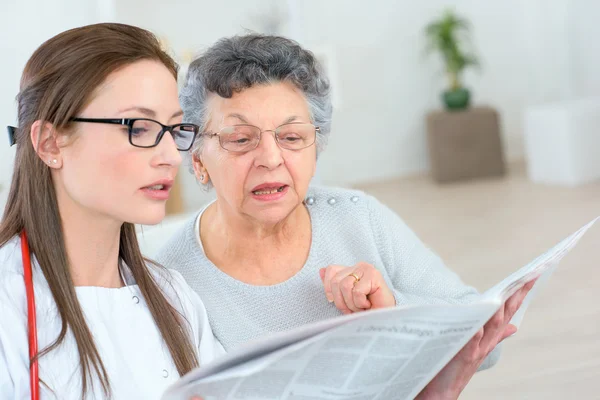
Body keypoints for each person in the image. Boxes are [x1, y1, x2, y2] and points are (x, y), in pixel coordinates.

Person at [155, 33, 534, 398]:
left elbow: (487, 339)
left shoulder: (359, 218)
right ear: (198, 157)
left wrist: (393, 312)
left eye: (291, 137)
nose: (271, 159)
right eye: (240, 139)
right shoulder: (171, 282)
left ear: (315, 147)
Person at [0, 23, 224, 399]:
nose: (171, 156)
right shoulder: (9, 304)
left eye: (173, 129)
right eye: (139, 127)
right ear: (50, 142)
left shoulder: (175, 297)